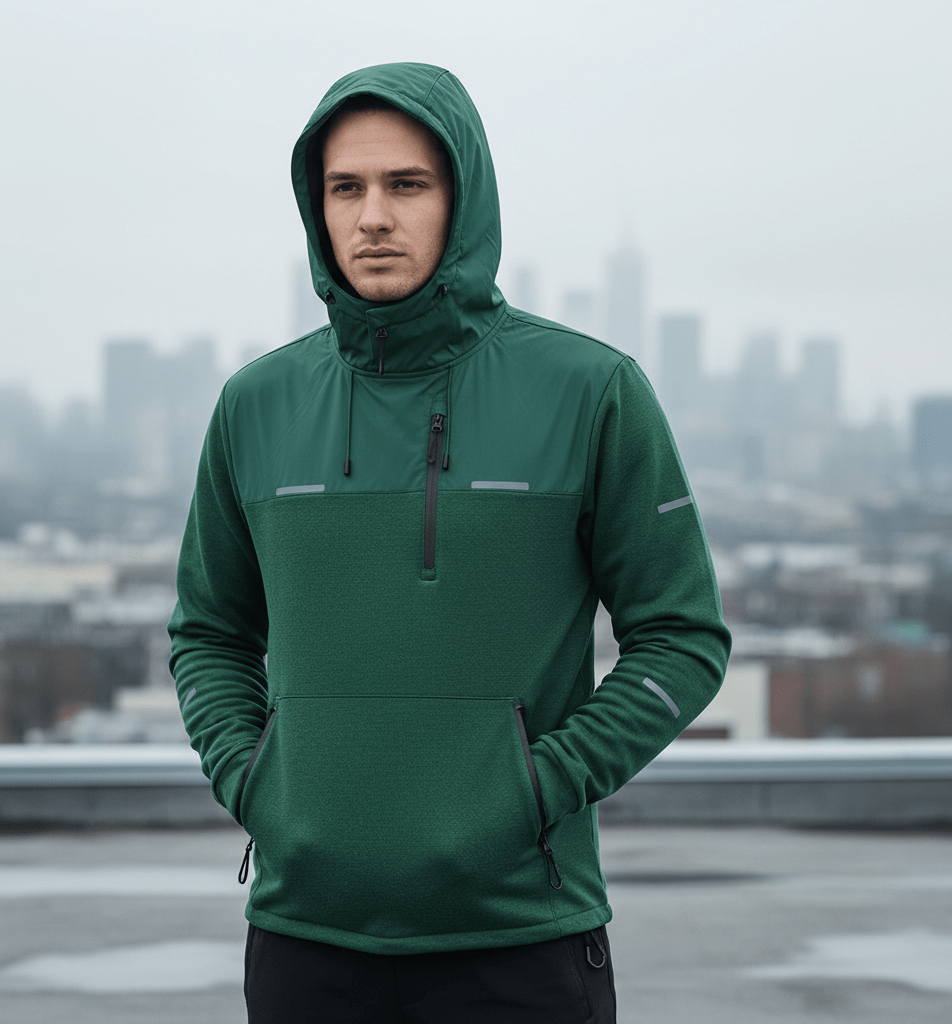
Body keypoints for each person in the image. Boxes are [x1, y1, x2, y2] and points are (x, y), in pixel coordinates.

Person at [169, 61, 731, 1023]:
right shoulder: (255, 404)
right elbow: (209, 632)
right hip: (305, 940)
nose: (372, 218)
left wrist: (538, 786)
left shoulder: (591, 390)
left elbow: (684, 635)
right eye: (345, 188)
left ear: (462, 199)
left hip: (520, 937)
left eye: (407, 184)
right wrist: (256, 783)